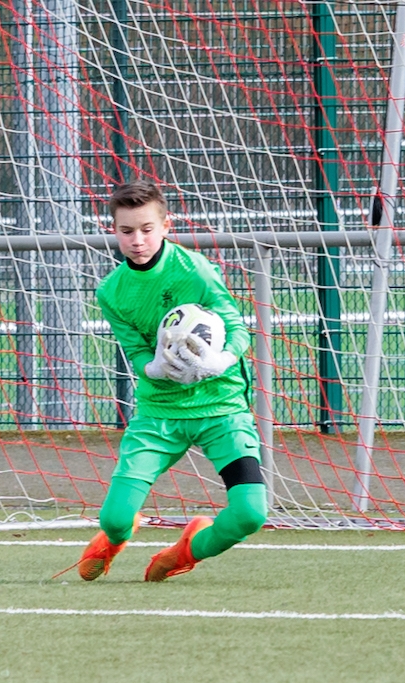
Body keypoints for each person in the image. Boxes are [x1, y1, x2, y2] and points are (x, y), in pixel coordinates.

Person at [77, 179, 269, 582]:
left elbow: (237, 328)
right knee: (114, 518)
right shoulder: (112, 291)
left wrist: (221, 360)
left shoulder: (195, 270)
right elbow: (136, 350)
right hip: (159, 413)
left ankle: (185, 550)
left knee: (250, 513)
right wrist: (154, 369)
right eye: (126, 231)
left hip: (221, 409)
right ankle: (114, 538)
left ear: (166, 226)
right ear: (114, 231)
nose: (137, 240)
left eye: (147, 229)